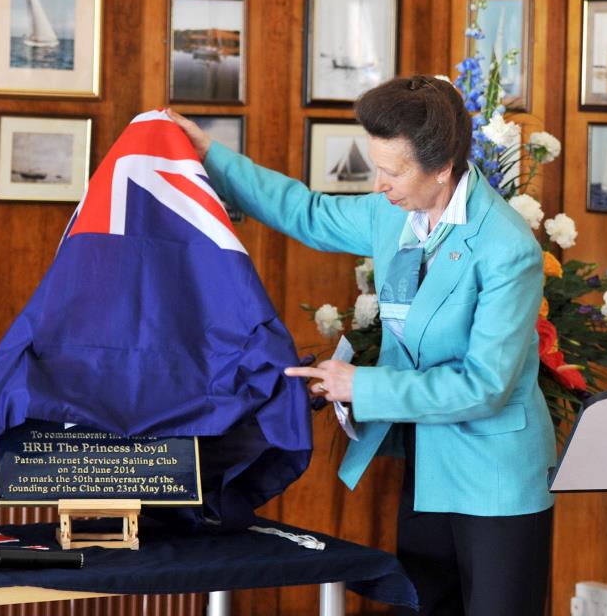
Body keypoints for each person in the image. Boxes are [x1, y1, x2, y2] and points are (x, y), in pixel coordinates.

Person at [168, 74, 556, 616]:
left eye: (392, 172)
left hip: (496, 474)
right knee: (423, 606)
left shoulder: (506, 248)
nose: (379, 184)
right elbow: (306, 211)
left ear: (442, 168)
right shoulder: (392, 212)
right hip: (427, 462)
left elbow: (484, 386)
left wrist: (360, 384)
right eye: (376, 166)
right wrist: (209, 153)